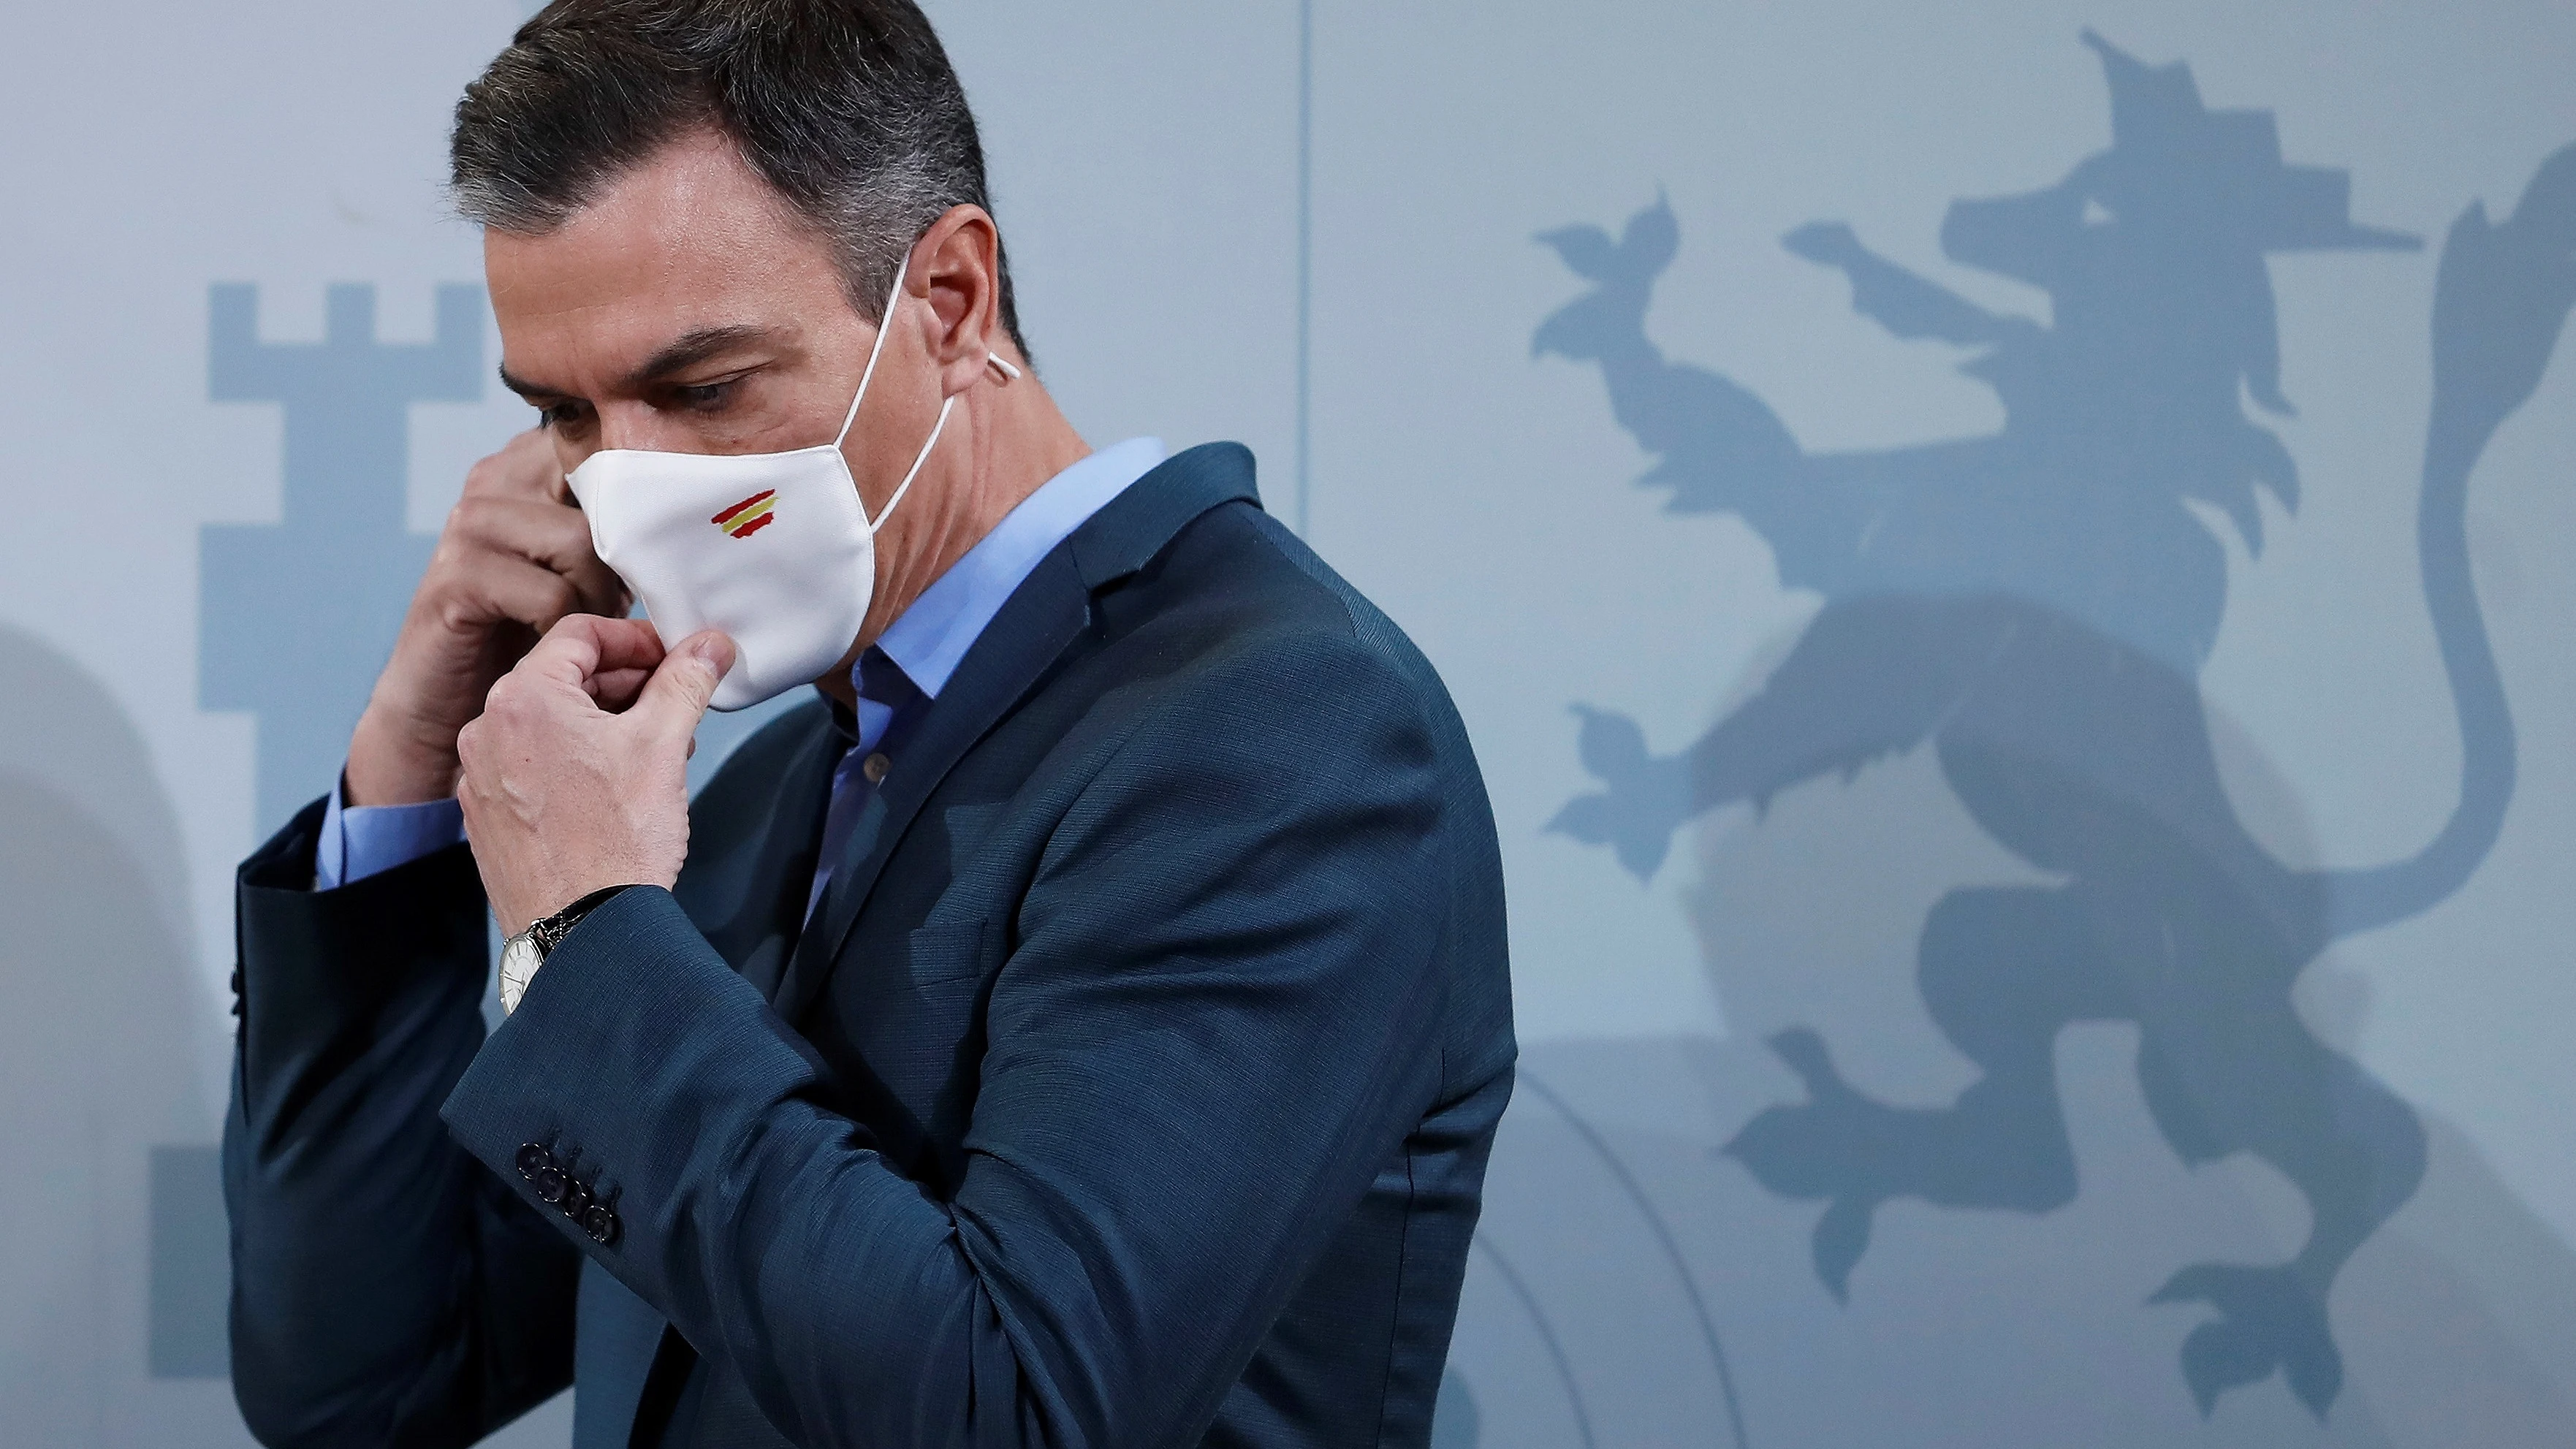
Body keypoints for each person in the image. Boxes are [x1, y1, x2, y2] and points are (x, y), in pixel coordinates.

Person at [219, 3, 1513, 1447]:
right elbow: (364, 1380)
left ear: (951, 301)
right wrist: (410, 761)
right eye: (565, 414)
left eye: (701, 387)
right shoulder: (773, 785)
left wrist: (585, 932)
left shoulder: (1280, 735)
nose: (625, 487)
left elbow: (1009, 1411)